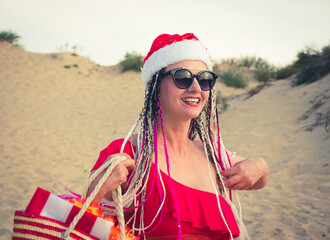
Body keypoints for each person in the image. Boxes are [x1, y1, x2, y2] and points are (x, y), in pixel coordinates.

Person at [87, 33, 269, 240]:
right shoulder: (127, 154)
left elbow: (260, 180)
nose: (196, 88)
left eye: (205, 79)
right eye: (182, 78)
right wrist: (97, 190)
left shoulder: (211, 154)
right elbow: (83, 222)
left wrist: (260, 166)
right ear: (152, 86)